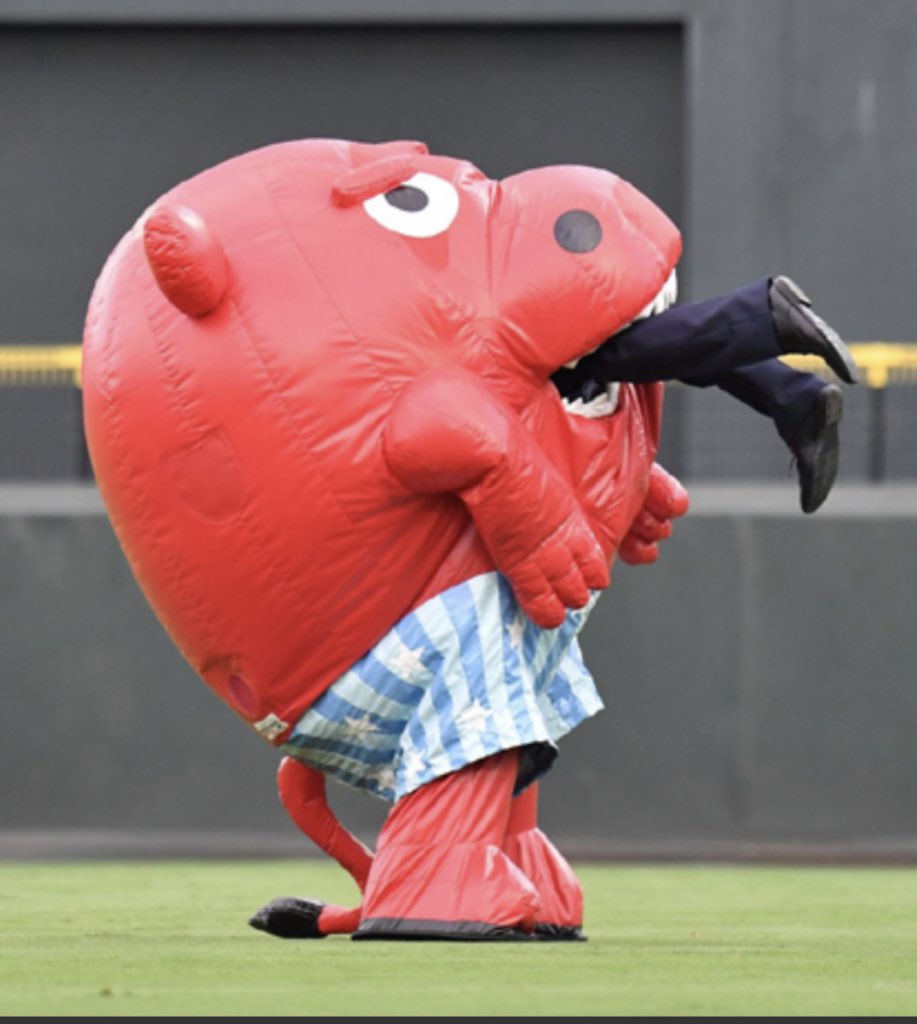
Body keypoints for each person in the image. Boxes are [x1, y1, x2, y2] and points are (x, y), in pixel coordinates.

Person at [552, 275, 859, 514]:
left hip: (552, 263)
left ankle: (767, 317)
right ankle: (792, 392)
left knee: (587, 359)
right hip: (578, 246)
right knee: (612, 354)